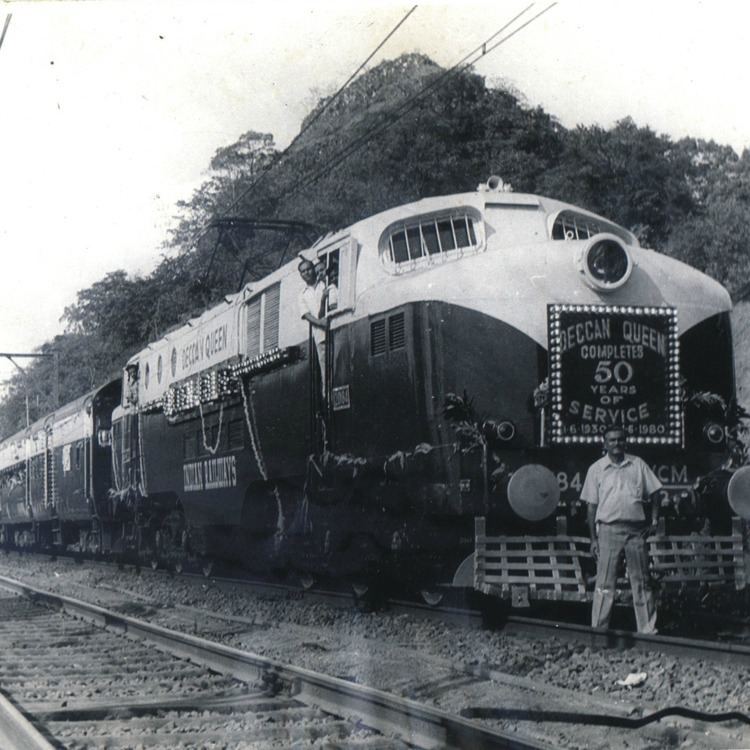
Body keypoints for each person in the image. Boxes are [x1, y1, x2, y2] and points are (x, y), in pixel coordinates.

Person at [581, 425, 661, 634]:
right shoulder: (596, 469)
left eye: (620, 439)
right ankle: (598, 629)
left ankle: (647, 630)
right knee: (604, 582)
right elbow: (591, 507)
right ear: (605, 443)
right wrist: (593, 539)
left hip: (635, 531)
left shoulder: (638, 465)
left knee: (642, 581)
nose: (617, 443)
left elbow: (655, 492)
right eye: (612, 440)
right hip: (608, 530)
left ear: (626, 442)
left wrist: (653, 521)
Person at [298, 258, 330, 395]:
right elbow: (307, 315)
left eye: (309, 269)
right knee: (325, 370)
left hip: (334, 328)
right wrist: (320, 323)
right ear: (301, 275)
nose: (307, 272)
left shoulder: (325, 283)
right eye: (303, 271)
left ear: (313, 269)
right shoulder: (302, 295)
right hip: (320, 336)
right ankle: (327, 397)